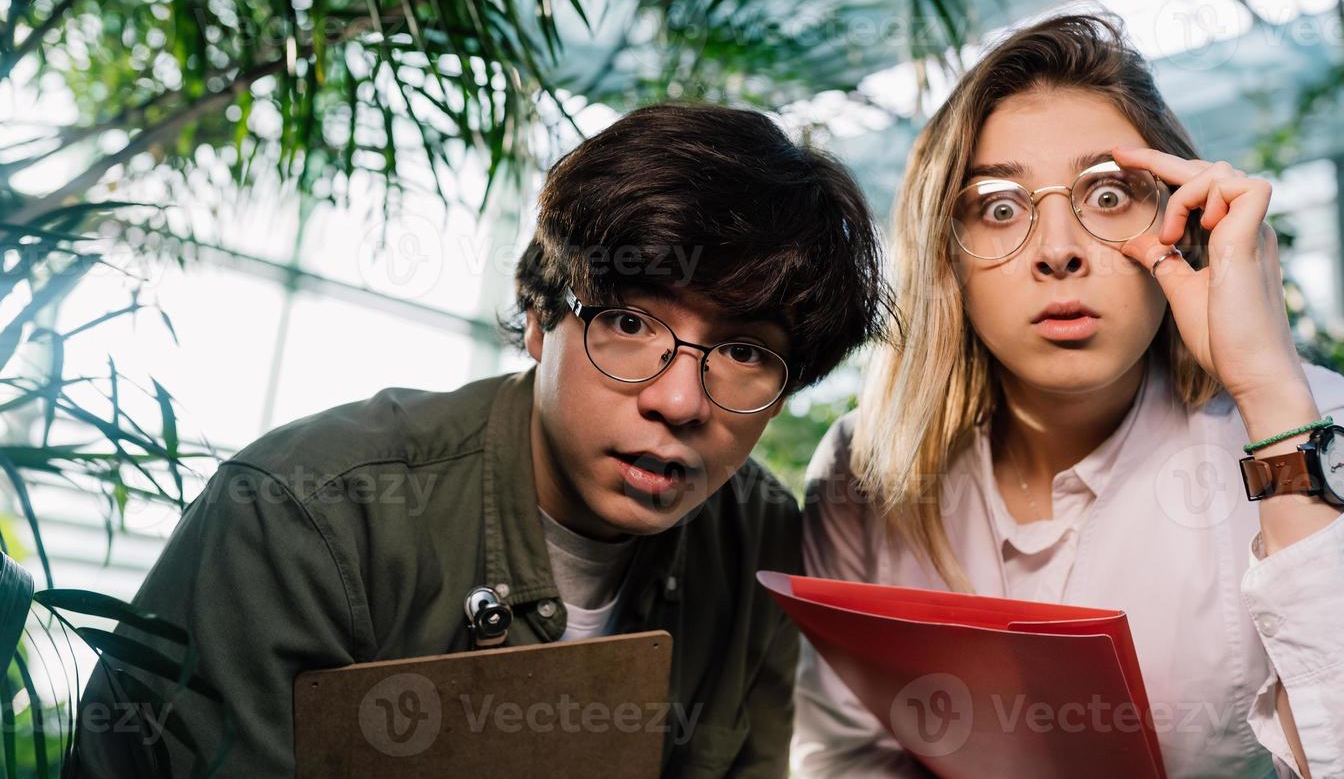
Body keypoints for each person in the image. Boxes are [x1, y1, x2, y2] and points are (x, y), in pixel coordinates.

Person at [73, 103, 892, 778]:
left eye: (745, 352)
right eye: (631, 322)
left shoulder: (762, 539)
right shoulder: (305, 516)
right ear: (540, 317)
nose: (679, 401)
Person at [794, 13, 1344, 777]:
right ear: (945, 252)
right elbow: (847, 757)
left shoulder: (1306, 419)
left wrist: (1271, 392)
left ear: (1180, 223)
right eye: (1000, 207)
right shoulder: (865, 462)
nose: (1058, 252)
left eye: (1109, 196)